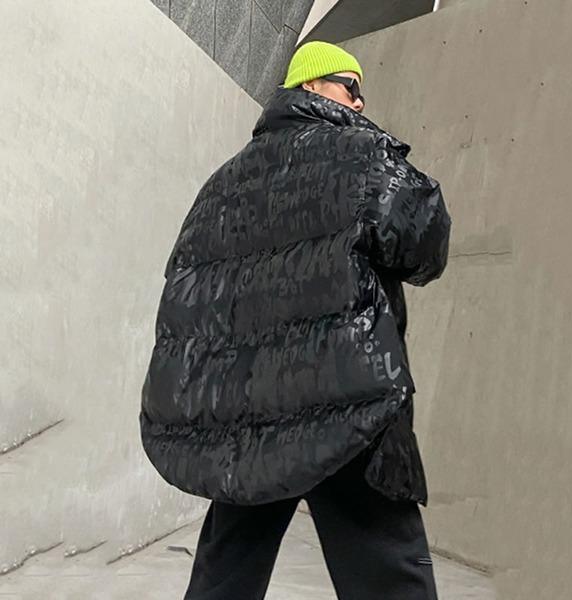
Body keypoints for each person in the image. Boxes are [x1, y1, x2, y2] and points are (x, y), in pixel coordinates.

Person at [139, 40, 451, 599]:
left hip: (249, 414)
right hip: (344, 399)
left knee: (226, 572)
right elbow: (423, 246)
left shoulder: (223, 184)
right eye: (350, 87)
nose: (359, 101)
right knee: (388, 572)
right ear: (311, 85)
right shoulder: (361, 154)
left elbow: (188, 295)